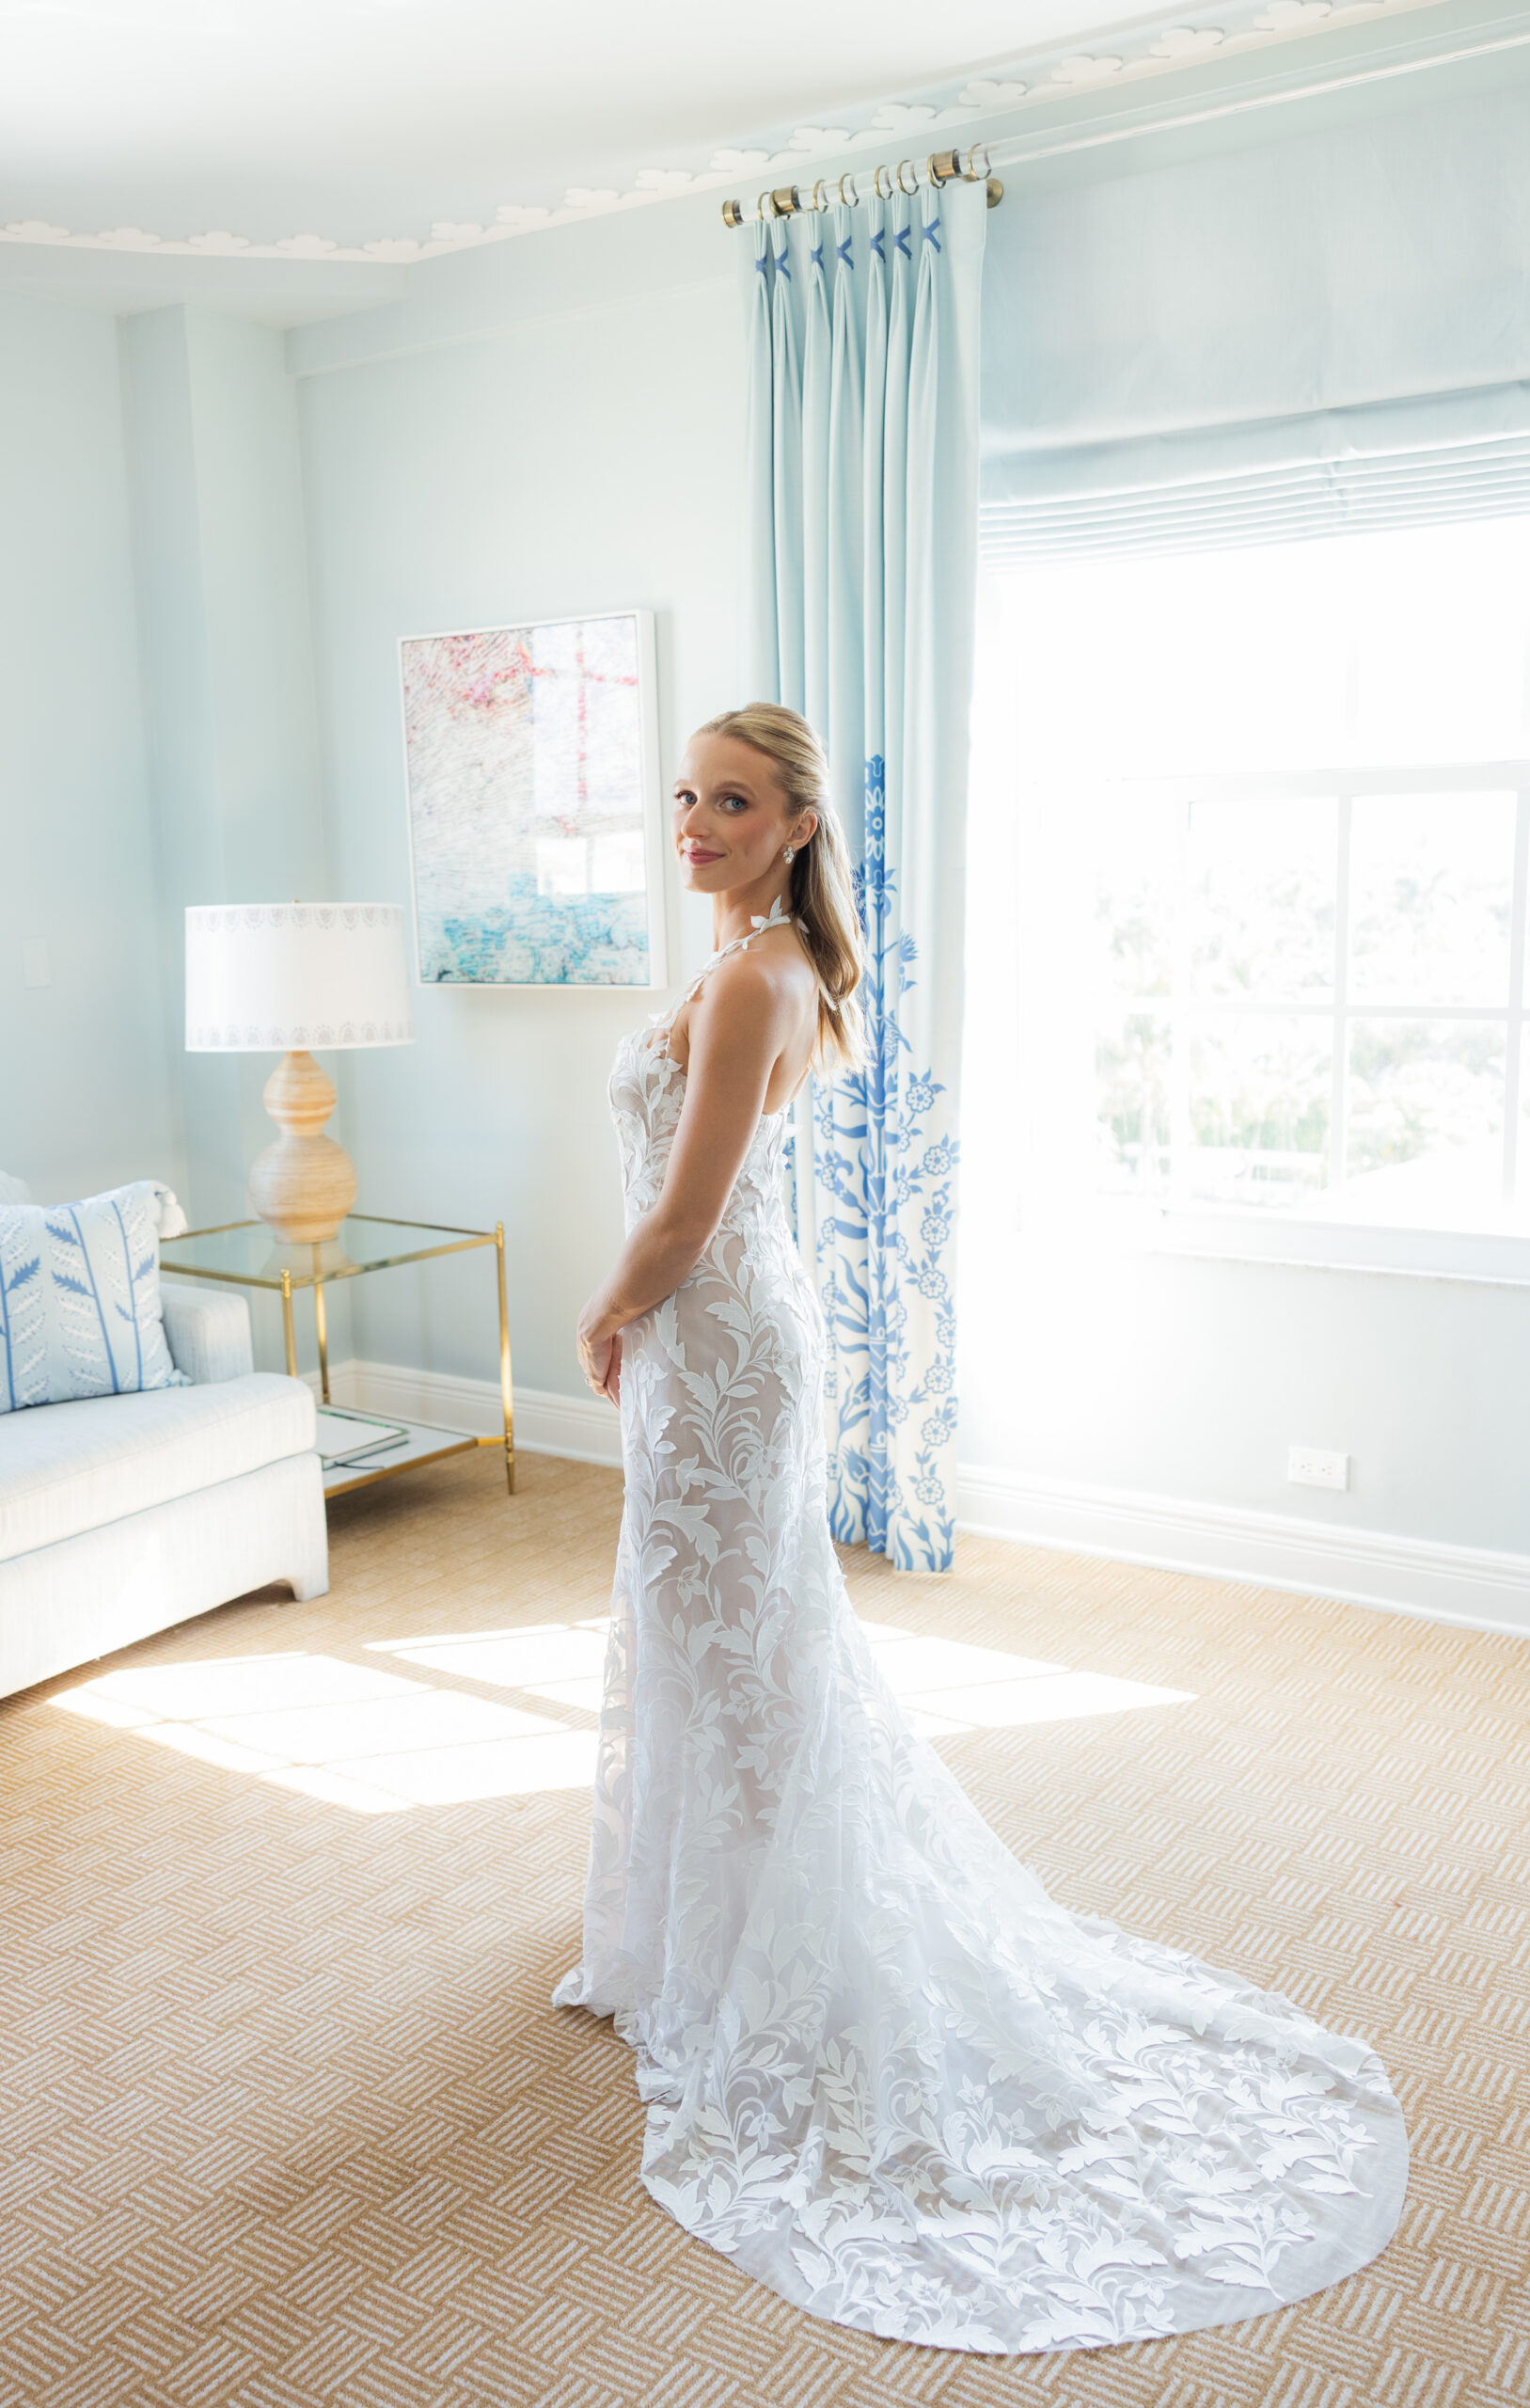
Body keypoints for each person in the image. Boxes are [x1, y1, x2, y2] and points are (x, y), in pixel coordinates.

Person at [559, 702, 1407, 2354]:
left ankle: (761, 1948)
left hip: (716, 1342)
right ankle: (698, 1918)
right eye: (683, 798)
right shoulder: (769, 967)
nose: (694, 824)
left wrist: (604, 1315)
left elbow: (686, 1206)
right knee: (735, 1641)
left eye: (729, 802)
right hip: (734, 1342)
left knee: (740, 1644)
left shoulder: (752, 979)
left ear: (797, 823)